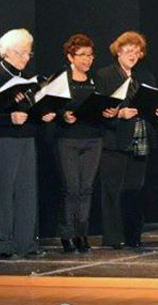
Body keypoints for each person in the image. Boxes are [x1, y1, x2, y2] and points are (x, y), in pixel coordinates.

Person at [95, 31, 158, 249]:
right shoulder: (104, 75)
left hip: (140, 139)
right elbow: (98, 111)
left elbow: (151, 108)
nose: (133, 55)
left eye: (137, 51)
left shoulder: (144, 77)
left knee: (134, 190)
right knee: (113, 191)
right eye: (128, 50)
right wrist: (119, 114)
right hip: (115, 140)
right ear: (118, 51)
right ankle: (114, 237)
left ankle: (133, 235)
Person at [0, 29, 54, 259]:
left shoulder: (26, 77)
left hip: (27, 137)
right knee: (4, 192)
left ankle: (26, 243)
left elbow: (29, 109)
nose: (26, 57)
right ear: (6, 52)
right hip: (4, 139)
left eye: (29, 53)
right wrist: (9, 118)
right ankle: (3, 244)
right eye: (22, 53)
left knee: (27, 191)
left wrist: (42, 114)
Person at [56, 34, 105, 253]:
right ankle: (67, 234)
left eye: (90, 55)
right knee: (71, 188)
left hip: (93, 139)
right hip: (68, 139)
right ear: (70, 57)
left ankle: (82, 234)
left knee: (86, 188)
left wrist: (107, 111)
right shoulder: (62, 80)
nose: (87, 59)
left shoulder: (96, 80)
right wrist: (63, 115)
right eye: (82, 55)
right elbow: (52, 106)